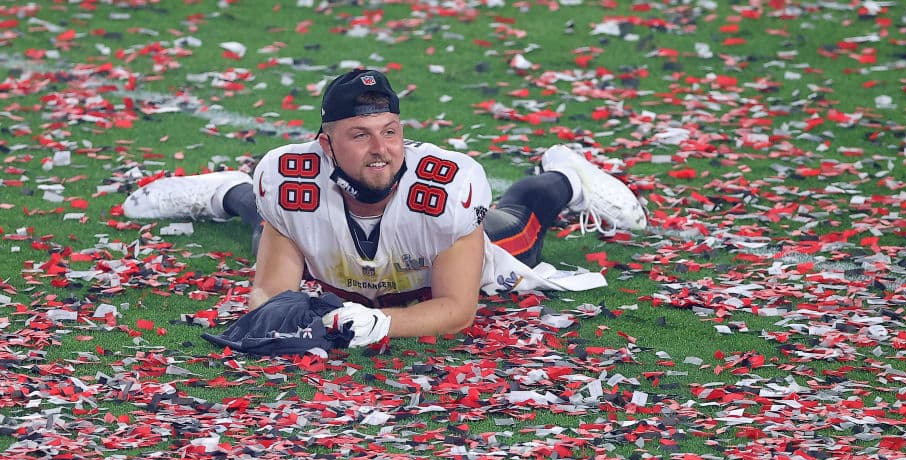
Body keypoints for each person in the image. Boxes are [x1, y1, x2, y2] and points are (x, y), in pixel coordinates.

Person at [122, 68, 647, 348]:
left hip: (423, 275)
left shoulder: (444, 193)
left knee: (522, 223)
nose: (381, 149)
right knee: (265, 224)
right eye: (360, 135)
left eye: (390, 131)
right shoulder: (290, 180)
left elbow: (458, 310)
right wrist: (283, 313)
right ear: (325, 146)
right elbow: (274, 286)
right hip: (338, 267)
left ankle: (565, 175)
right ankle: (225, 191)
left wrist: (380, 324)